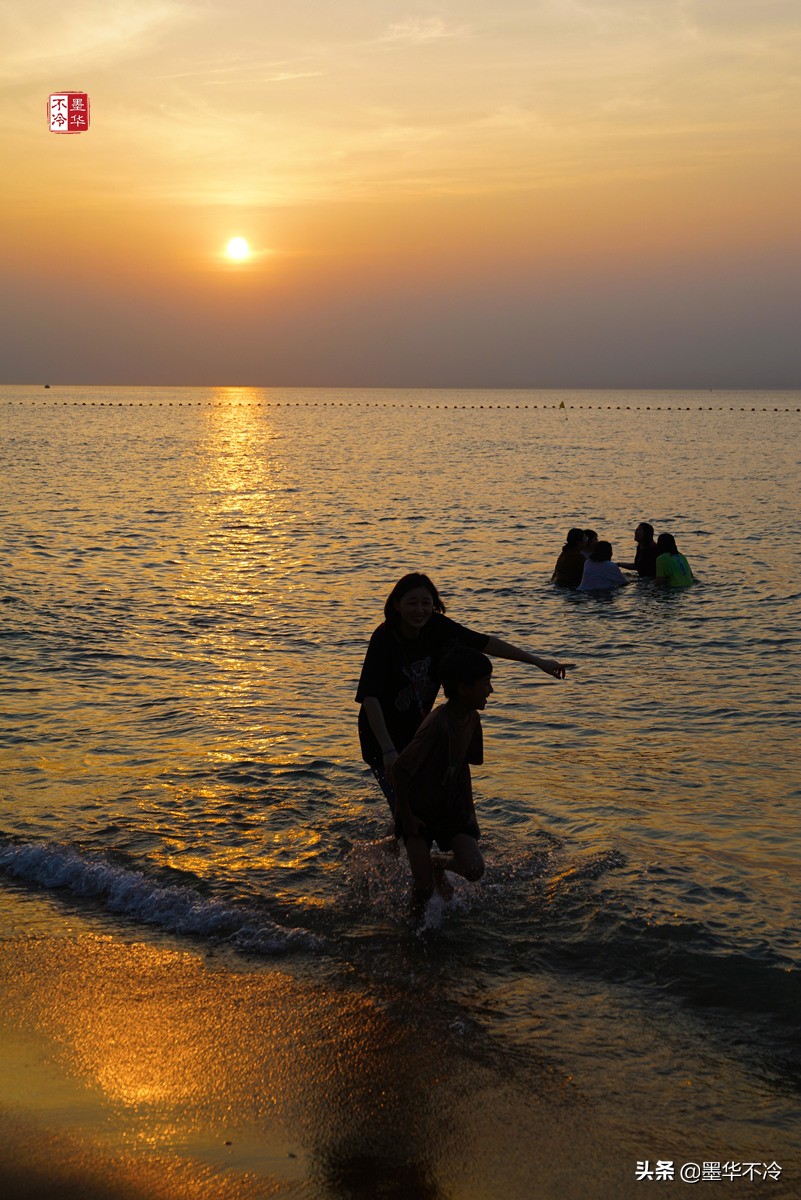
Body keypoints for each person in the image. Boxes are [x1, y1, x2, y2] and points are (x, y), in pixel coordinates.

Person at [356, 572, 573, 814]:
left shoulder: (437, 627)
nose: (420, 610)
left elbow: (484, 643)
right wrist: (387, 750)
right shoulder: (384, 637)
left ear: (434, 604)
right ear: (397, 605)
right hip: (380, 735)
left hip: (418, 731)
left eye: (426, 603)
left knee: (420, 803)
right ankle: (387, 850)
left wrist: (536, 661)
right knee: (404, 808)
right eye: (412, 603)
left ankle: (392, 849)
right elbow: (370, 697)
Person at [392, 647, 492, 904]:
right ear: (463, 689)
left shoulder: (472, 720)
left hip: (448, 807)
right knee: (424, 888)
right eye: (485, 684)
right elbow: (400, 769)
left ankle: (437, 862)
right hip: (417, 809)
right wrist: (407, 815)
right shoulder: (439, 724)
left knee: (474, 869)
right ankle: (413, 933)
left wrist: (469, 811)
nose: (490, 691)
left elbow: (463, 767)